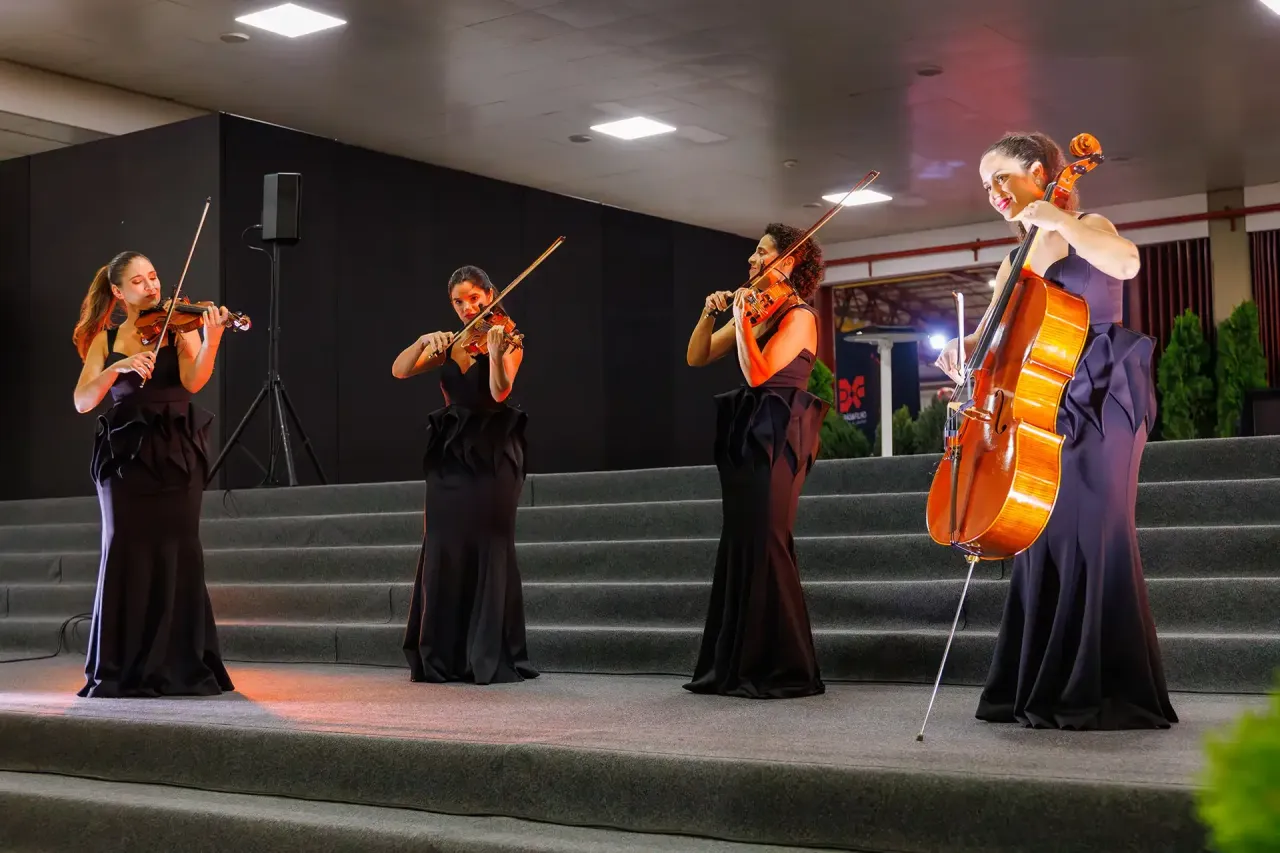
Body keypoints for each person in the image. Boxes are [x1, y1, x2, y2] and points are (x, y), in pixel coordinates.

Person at [935, 131, 1177, 730]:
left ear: (1040, 172)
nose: (993, 192)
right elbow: (995, 333)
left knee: (1095, 528)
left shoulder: (1088, 225)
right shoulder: (1013, 260)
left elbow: (1127, 263)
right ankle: (1039, 683)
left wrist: (1058, 219)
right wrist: (963, 347)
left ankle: (1101, 688)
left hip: (1101, 394)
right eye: (985, 185)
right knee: (1039, 530)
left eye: (1002, 177)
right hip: (1040, 400)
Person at [71, 251, 235, 698]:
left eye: (154, 277)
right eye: (139, 281)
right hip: (124, 455)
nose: (152, 287)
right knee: (126, 549)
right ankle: (122, 667)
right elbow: (83, 401)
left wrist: (212, 338)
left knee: (180, 548)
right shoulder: (106, 340)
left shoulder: (178, 326)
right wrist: (116, 367)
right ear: (119, 292)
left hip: (176, 449)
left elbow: (195, 381)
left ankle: (180, 665)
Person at [682, 223, 829, 699]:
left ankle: (784, 666)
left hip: (780, 432)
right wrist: (710, 315)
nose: (751, 259)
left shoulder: (799, 316)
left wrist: (743, 322)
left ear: (788, 261)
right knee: (742, 540)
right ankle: (735, 664)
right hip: (748, 432)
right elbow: (697, 356)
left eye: (762, 252)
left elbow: (760, 374)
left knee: (769, 539)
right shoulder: (757, 308)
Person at [391, 265, 538, 685]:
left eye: (474, 298)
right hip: (450, 452)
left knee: (489, 546)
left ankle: (486, 653)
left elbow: (500, 391)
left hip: (492, 453)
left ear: (490, 294)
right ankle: (444, 653)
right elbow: (400, 369)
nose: (468, 307)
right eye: (459, 301)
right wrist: (423, 340)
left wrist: (494, 353)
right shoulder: (451, 342)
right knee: (443, 544)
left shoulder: (508, 337)